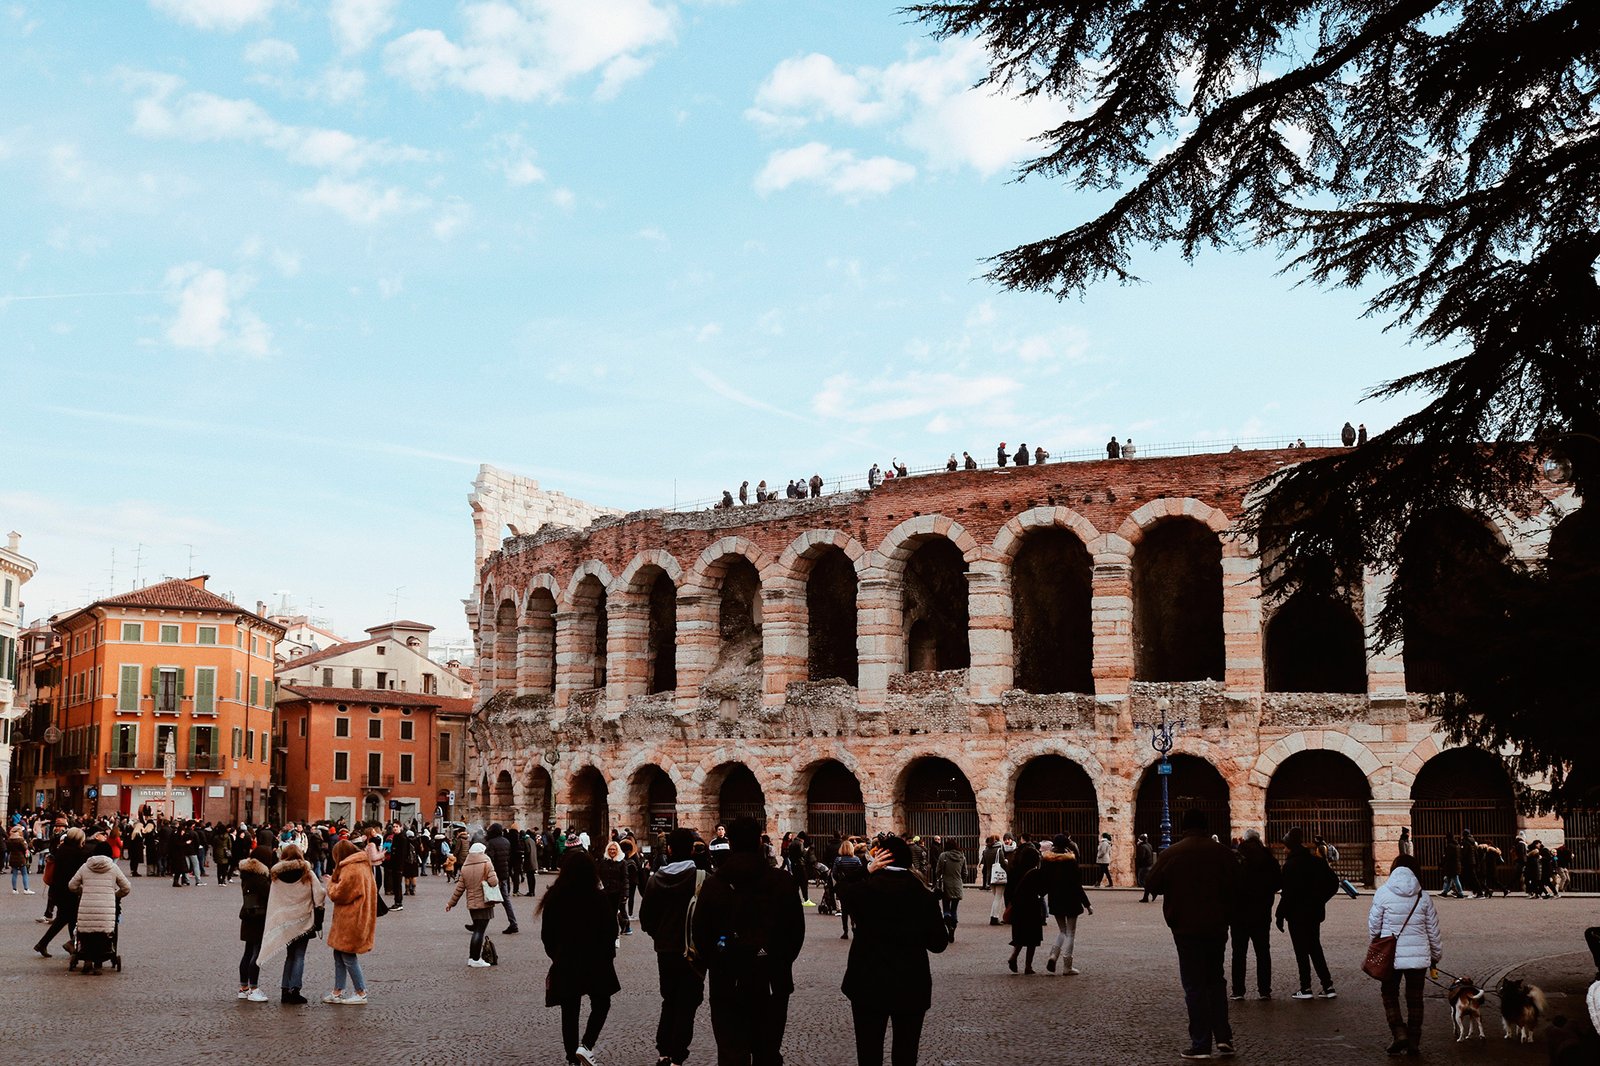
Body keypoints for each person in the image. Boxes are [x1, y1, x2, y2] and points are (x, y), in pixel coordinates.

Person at [691, 816, 805, 1066]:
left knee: (732, 1051)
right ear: (758, 841)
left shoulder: (714, 885)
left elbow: (700, 933)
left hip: (726, 978)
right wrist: (780, 961)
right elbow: (795, 932)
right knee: (768, 1051)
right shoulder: (782, 881)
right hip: (772, 978)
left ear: (730, 842)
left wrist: (717, 961)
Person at [838, 835, 948, 1066]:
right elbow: (938, 944)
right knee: (906, 1054)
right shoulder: (923, 896)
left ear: (880, 859)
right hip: (910, 982)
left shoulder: (864, 890)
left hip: (867, 980)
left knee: (868, 1052)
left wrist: (866, 870)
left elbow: (841, 887)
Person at [1144, 809, 1240, 1059]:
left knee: (1194, 984)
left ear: (1183, 827)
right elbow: (1238, 887)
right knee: (1216, 981)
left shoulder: (1171, 853)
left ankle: (1200, 1044)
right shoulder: (1223, 853)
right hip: (1217, 926)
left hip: (1185, 928)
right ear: (1206, 826)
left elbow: (1151, 884)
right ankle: (1224, 1038)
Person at [540, 849, 620, 1066]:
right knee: (602, 1002)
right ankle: (586, 1045)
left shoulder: (555, 897)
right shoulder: (599, 897)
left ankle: (571, 1058)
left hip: (566, 959)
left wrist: (556, 955)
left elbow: (547, 934)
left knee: (570, 1010)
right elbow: (611, 930)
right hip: (596, 960)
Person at [639, 828, 706, 1066]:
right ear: (691, 849)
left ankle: (664, 1051)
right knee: (687, 1003)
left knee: (669, 999)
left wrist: (661, 935)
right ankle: (678, 1055)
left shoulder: (655, 879)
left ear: (668, 849)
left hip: (665, 950)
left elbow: (645, 919)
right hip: (693, 951)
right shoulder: (700, 878)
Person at [1368, 854, 1441, 1056]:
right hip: (1418, 957)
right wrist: (1435, 956)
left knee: (1389, 994)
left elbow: (1374, 926)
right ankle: (1414, 1042)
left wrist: (1377, 942)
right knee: (1415, 999)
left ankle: (1399, 1032)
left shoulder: (1383, 893)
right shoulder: (1423, 897)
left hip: (1391, 955)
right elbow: (1433, 931)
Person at [258, 842, 325, 1004]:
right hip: (304, 921)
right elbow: (320, 894)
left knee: (290, 956)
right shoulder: (307, 873)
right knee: (299, 956)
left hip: (285, 922)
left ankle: (284, 990)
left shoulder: (276, 876)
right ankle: (295, 989)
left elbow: (274, 899)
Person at [1277, 826, 1338, 1001]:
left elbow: (1287, 894)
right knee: (1315, 947)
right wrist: (1320, 899)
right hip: (1313, 912)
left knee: (1301, 951)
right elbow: (1333, 883)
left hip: (1296, 915)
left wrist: (1279, 915)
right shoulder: (1316, 861)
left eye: (1285, 847)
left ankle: (1306, 987)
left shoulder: (1290, 865)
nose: (1283, 850)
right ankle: (1328, 985)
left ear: (1290, 847)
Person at [323, 838, 377, 1005]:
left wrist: (330, 883)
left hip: (352, 918)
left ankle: (361, 991)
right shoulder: (362, 864)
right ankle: (338, 991)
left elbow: (339, 894)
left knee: (347, 955)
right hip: (354, 916)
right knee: (339, 953)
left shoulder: (351, 868)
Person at [66, 840, 130, 976]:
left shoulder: (85, 867)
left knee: (87, 934)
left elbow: (72, 885)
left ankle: (87, 959)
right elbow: (126, 887)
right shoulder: (113, 868)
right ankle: (98, 964)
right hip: (106, 910)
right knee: (103, 935)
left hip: (87, 908)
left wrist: (82, 891)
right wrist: (115, 895)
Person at [1230, 829, 1281, 1001]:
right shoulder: (1268, 859)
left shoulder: (1236, 858)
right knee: (1263, 952)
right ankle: (1264, 990)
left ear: (1244, 840)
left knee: (1238, 953)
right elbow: (1277, 882)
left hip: (1238, 912)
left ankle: (1238, 991)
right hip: (1261, 911)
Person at [1041, 834, 1092, 974]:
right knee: (1070, 933)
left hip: (1055, 899)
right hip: (1071, 899)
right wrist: (1087, 904)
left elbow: (1043, 881)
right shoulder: (1070, 860)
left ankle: (1053, 955)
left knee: (1062, 931)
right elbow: (1077, 884)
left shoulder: (1047, 860)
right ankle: (1067, 966)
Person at [34, 826, 85, 957]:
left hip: (58, 890)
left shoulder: (61, 849)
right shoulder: (75, 852)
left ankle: (47, 944)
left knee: (66, 919)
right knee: (67, 918)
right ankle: (73, 946)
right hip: (68, 891)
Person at [447, 840, 500, 966]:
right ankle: (475, 959)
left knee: (478, 929)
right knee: (479, 931)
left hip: (472, 904)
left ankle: (474, 958)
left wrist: (450, 903)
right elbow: (494, 882)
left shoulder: (465, 867)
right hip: (484, 902)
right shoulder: (487, 863)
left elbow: (459, 888)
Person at [237, 837, 277, 1001]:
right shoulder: (260, 878)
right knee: (256, 953)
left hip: (248, 916)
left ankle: (243, 987)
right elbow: (270, 896)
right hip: (259, 917)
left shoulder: (247, 874)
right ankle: (253, 988)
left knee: (248, 952)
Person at [1005, 841, 1044, 974]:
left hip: (1017, 906)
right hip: (1032, 906)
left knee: (1020, 936)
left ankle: (1014, 956)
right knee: (1032, 938)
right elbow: (1042, 891)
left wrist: (1008, 905)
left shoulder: (1014, 871)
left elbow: (1008, 891)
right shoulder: (1035, 873)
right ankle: (1028, 966)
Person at [484, 823, 520, 934]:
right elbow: (507, 858)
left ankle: (478, 924)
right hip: (504, 874)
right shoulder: (506, 842)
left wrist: (489, 875)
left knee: (486, 899)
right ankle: (513, 923)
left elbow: (490, 861)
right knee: (506, 900)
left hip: (494, 875)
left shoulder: (491, 843)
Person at [598, 839, 634, 937]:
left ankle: (623, 928)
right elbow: (598, 876)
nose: (612, 851)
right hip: (606, 891)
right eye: (610, 849)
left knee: (618, 911)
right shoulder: (603, 862)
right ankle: (610, 931)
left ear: (617, 850)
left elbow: (625, 879)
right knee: (608, 913)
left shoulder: (622, 863)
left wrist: (626, 894)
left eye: (614, 849)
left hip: (617, 892)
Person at [832, 839, 867, 938]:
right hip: (854, 886)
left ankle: (845, 931)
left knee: (844, 910)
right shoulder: (856, 859)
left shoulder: (838, 860)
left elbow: (834, 873)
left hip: (843, 887)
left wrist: (839, 880)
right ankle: (854, 926)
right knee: (853, 909)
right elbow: (861, 872)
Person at [934, 839, 965, 942]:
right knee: (954, 909)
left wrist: (938, 878)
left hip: (945, 885)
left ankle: (947, 922)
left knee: (946, 908)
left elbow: (938, 871)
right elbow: (965, 873)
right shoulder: (962, 856)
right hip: (957, 885)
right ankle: (953, 927)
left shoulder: (943, 855)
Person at [7, 826, 31, 893]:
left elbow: (8, 849)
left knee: (14, 874)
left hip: (12, 857)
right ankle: (26, 889)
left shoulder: (9, 840)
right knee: (24, 873)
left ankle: (14, 889)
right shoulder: (20, 840)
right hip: (20, 858)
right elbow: (25, 847)